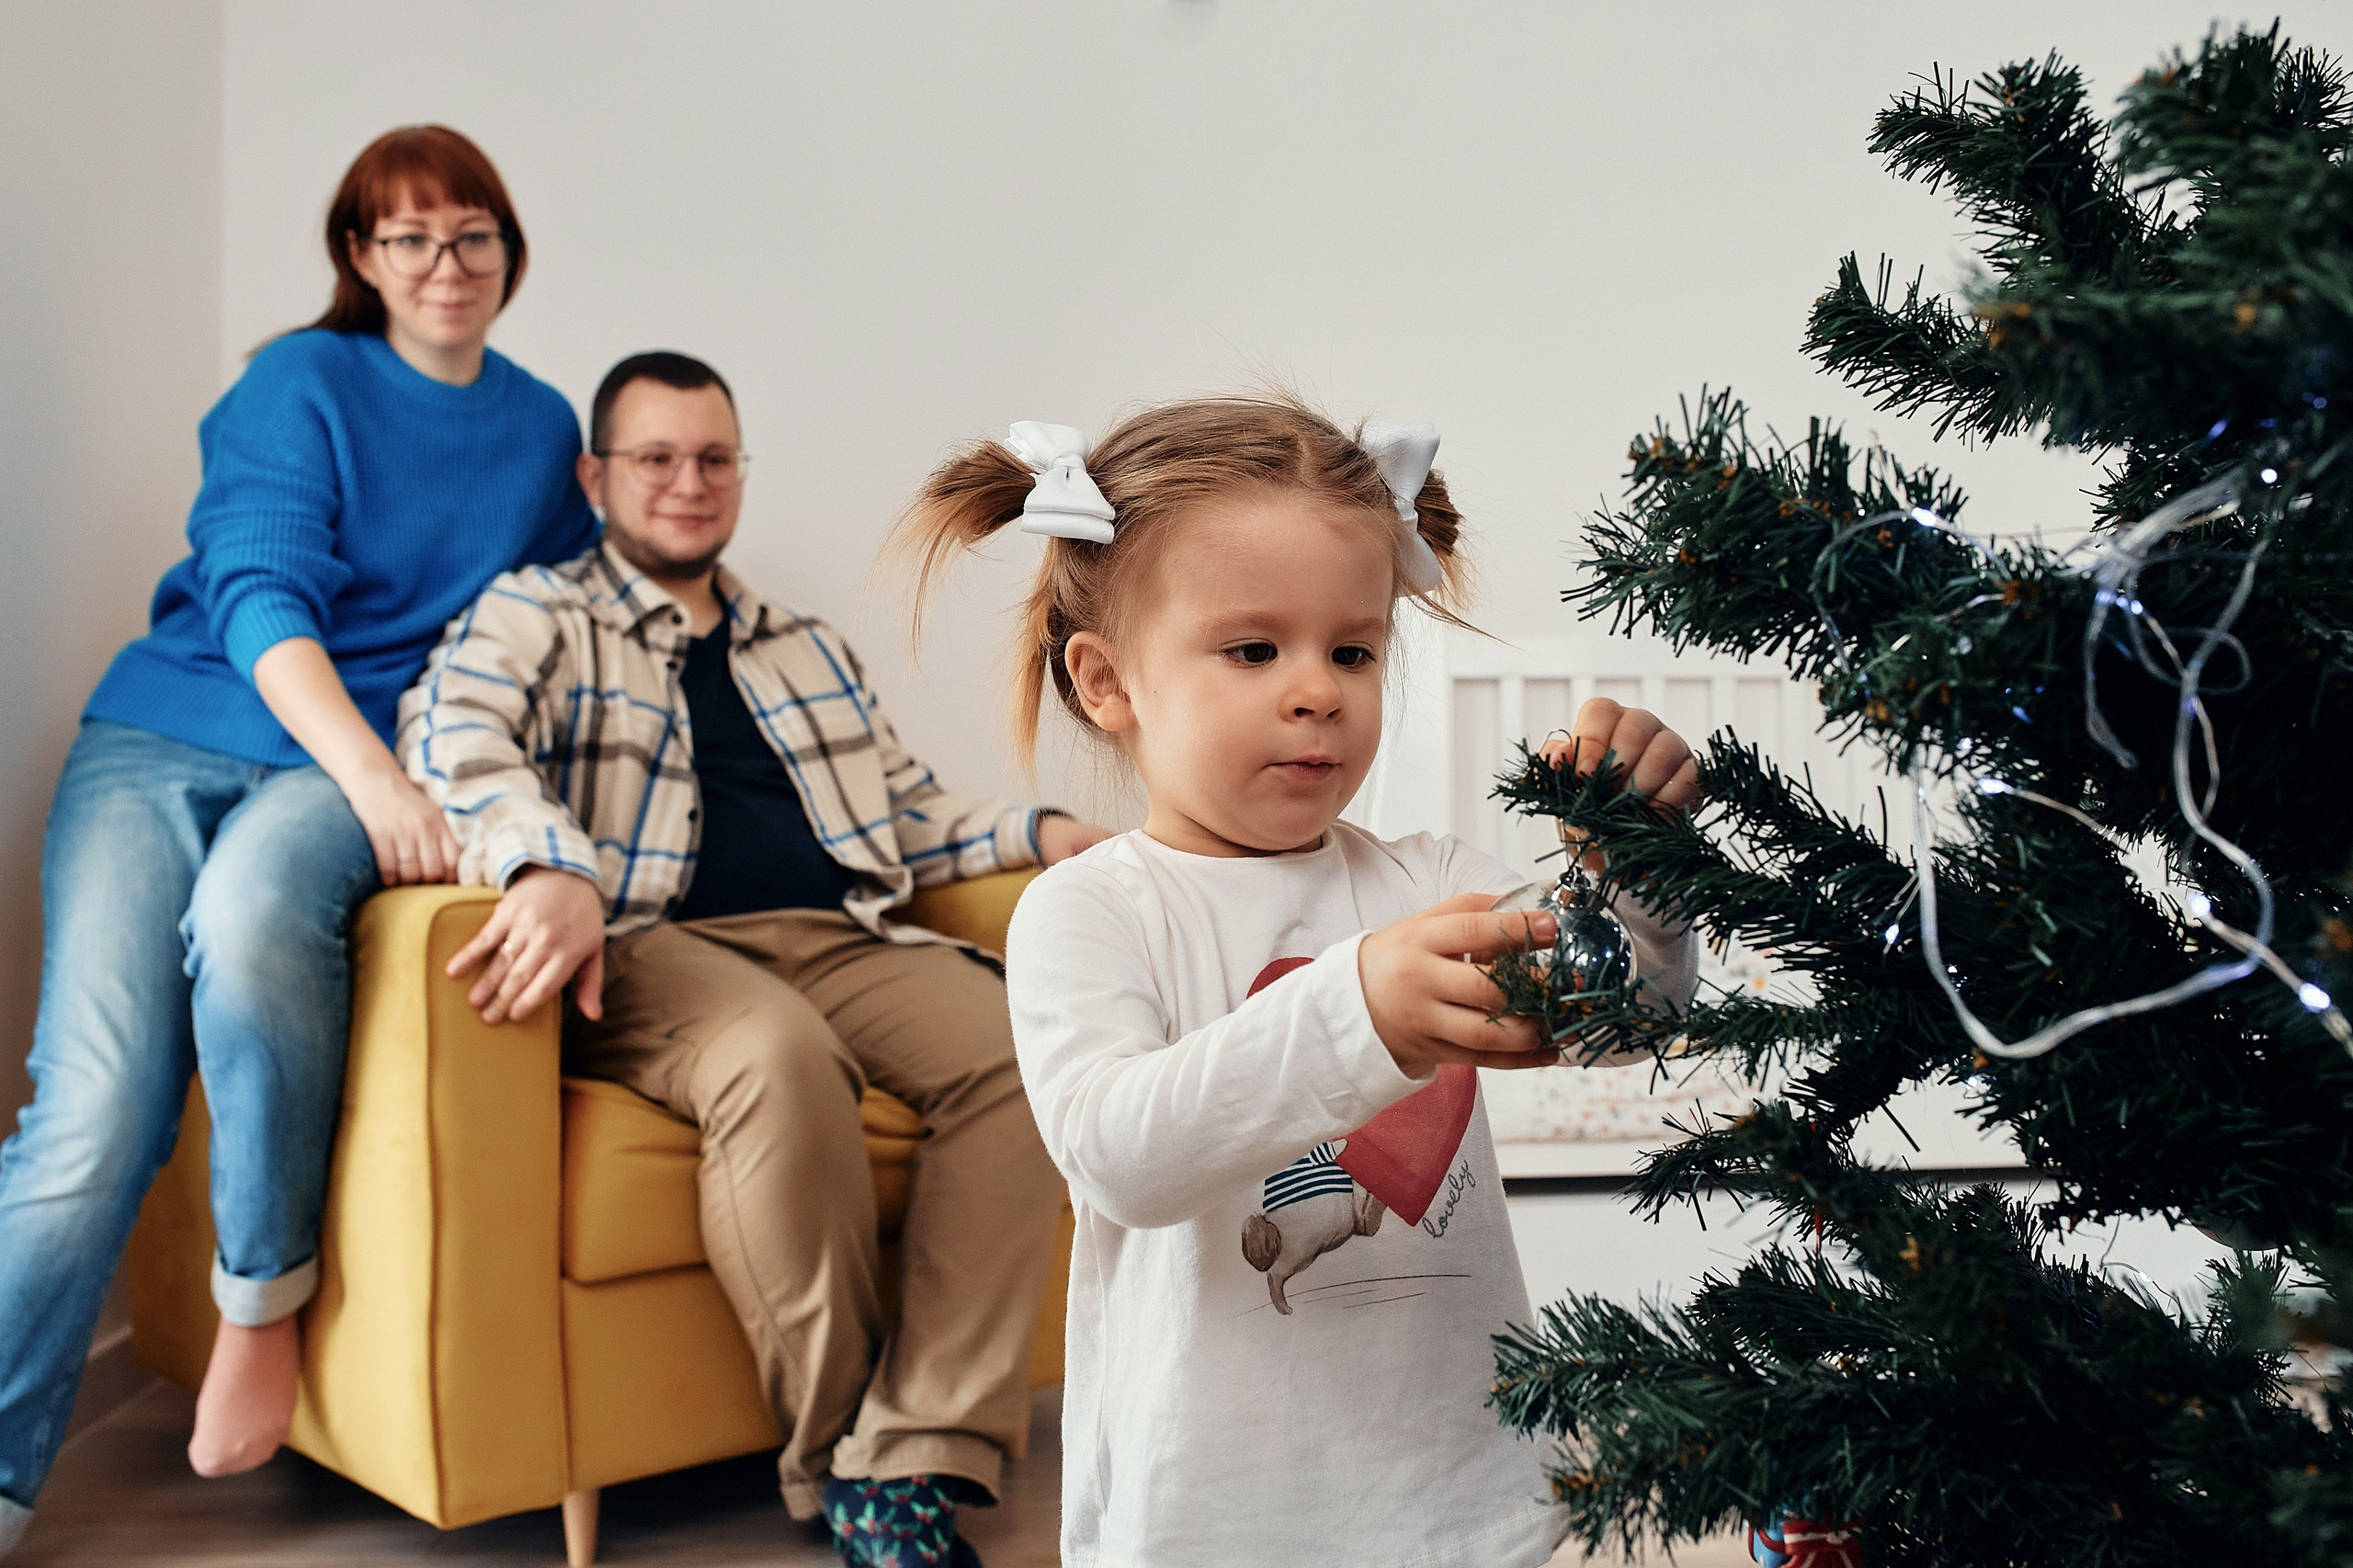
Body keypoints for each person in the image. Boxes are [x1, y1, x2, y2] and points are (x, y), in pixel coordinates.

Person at [898, 398, 1702, 1567]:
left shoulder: (1431, 878)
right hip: (1211, 1519)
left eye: (1353, 649)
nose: (1317, 688)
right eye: (1252, 649)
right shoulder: (1091, 908)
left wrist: (1636, 873)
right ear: (1107, 679)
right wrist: (1353, 1012)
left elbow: (1635, 1016)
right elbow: (1119, 1154)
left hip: (1469, 1501)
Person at [396, 351, 1104, 1568]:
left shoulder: (803, 644)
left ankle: (916, 1444)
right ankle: (840, 1457)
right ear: (596, 476)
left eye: (713, 457)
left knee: (1024, 1051)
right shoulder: (536, 610)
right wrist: (546, 859)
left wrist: (1040, 830)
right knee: (780, 1057)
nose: (688, 482)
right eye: (656, 458)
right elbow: (449, 737)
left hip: (839, 932)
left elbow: (905, 807)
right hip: (644, 942)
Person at [0, 125, 597, 1553]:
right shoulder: (297, 379)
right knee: (96, 1111)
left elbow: (555, 623)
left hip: (367, 756)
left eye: (474, 236)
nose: (445, 266)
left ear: (510, 255)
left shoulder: (536, 429)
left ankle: (257, 1302)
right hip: (182, 734)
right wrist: (382, 786)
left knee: (259, 927)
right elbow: (259, 590)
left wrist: (522, 824)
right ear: (358, 257)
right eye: (410, 238)